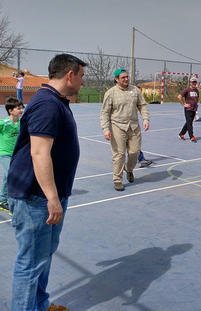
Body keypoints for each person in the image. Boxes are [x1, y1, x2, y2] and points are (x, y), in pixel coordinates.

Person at [7, 53, 87, 311]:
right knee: (30, 263)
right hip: (35, 198)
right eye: (82, 76)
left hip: (47, 195)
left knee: (42, 257)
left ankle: (40, 304)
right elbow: (39, 152)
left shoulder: (56, 101)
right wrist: (52, 198)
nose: (83, 82)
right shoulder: (48, 103)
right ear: (70, 74)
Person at [100, 68, 150, 191]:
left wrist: (145, 119)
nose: (126, 79)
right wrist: (105, 129)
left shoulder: (135, 91)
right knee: (119, 154)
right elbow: (104, 113)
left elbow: (143, 105)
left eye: (127, 77)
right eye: (123, 77)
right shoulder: (110, 93)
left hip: (133, 126)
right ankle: (117, 179)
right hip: (118, 126)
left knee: (135, 152)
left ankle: (129, 169)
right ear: (116, 79)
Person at [0, 97, 24, 215]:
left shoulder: (21, 122)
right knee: (11, 174)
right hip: (5, 154)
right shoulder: (4, 123)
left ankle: (2, 200)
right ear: (10, 111)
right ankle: (13, 202)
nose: (21, 110)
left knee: (7, 176)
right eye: (18, 108)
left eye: (22, 108)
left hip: (17, 154)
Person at [178, 76, 199, 143]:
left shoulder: (196, 90)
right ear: (190, 83)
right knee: (190, 124)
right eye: (192, 82)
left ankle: (181, 134)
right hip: (188, 109)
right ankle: (191, 137)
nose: (194, 83)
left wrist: (196, 108)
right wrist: (184, 104)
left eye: (195, 82)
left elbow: (196, 99)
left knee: (188, 122)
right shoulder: (187, 90)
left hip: (194, 109)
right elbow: (179, 96)